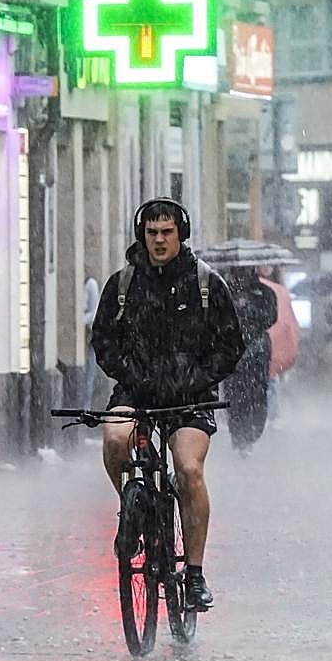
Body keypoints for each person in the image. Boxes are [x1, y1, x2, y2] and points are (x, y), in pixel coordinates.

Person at [91, 198, 245, 610]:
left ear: (181, 234)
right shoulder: (122, 285)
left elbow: (231, 345)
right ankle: (133, 510)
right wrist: (132, 375)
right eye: (152, 233)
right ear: (142, 235)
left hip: (190, 396)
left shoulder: (205, 283)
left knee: (189, 470)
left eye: (167, 232)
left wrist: (195, 378)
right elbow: (103, 342)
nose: (159, 240)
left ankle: (194, 574)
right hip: (135, 391)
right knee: (114, 440)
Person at [223, 267, 276, 455]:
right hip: (234, 353)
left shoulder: (264, 293)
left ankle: (252, 433)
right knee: (234, 397)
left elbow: (271, 318)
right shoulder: (224, 289)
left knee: (257, 394)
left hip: (258, 353)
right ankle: (239, 437)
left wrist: (250, 309)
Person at [258, 266, 300, 424]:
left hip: (260, 343)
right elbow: (289, 323)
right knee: (271, 379)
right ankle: (272, 414)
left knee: (263, 380)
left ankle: (262, 413)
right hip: (273, 345)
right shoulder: (280, 292)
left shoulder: (254, 291)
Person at [80, 274, 100, 409]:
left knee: (89, 373)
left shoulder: (90, 284)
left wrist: (80, 320)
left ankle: (86, 405)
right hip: (82, 339)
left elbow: (94, 312)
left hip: (89, 336)